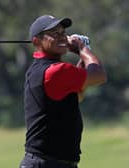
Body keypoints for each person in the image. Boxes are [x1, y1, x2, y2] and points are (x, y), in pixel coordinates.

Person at [19, 15, 106, 168]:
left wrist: (83, 56)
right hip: (46, 163)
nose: (62, 37)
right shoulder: (55, 71)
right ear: (36, 42)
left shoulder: (39, 70)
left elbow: (77, 94)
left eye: (63, 32)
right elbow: (99, 75)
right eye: (54, 33)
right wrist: (82, 49)